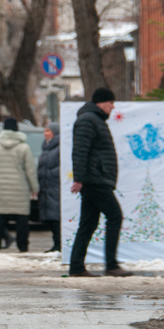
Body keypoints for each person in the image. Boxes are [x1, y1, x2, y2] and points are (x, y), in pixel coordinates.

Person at [69, 87, 133, 277]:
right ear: (101, 103)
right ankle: (111, 265)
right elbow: (80, 151)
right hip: (94, 179)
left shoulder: (94, 120)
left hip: (95, 178)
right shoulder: (88, 120)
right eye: (110, 103)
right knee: (114, 216)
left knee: (88, 224)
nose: (113, 107)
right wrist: (79, 179)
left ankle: (77, 267)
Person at [0, 118, 38, 253]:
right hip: (20, 188)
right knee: (22, 219)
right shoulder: (24, 147)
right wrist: (34, 188)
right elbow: (30, 170)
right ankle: (23, 246)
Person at [38, 122, 61, 253]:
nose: (45, 133)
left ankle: (59, 243)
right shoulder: (45, 147)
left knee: (55, 216)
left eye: (48, 131)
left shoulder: (58, 147)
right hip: (46, 185)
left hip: (54, 185)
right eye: (45, 131)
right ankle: (56, 243)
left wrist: (52, 173)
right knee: (49, 217)